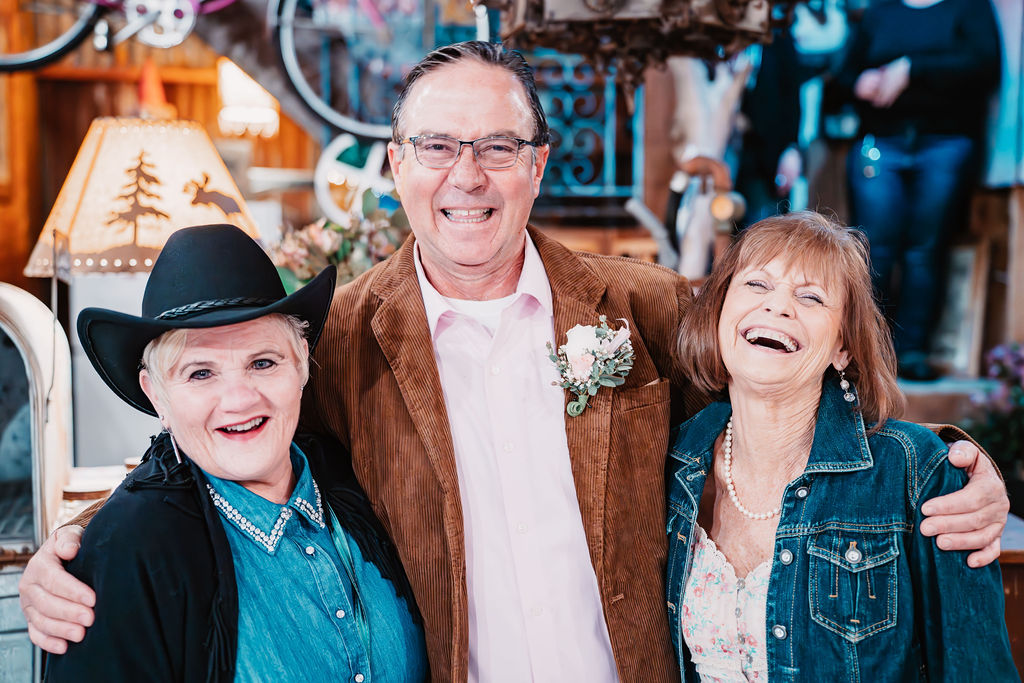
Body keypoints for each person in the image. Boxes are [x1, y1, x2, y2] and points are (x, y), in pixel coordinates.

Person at [21, 42, 1010, 682]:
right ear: (397, 163)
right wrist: (79, 544)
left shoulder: (643, 305)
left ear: (538, 164)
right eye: (438, 145)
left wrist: (954, 460)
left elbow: (793, 372)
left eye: (498, 145)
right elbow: (224, 444)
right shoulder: (337, 346)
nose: (468, 175)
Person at [44, 225, 427, 681]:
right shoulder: (127, 550)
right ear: (157, 396)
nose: (239, 400)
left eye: (262, 362)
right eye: (200, 373)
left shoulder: (352, 477)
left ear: (302, 362)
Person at [667, 211, 1017, 680]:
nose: (778, 307)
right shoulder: (675, 461)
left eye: (810, 296)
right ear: (718, 312)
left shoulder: (917, 473)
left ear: (842, 348)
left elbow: (977, 669)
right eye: (756, 285)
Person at [830, 0, 1001, 380]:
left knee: (925, 248)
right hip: (880, 142)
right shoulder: (881, 10)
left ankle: (912, 352)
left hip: (944, 143)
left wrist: (911, 69)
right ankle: (863, 350)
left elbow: (984, 65)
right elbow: (842, 74)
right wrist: (858, 82)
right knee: (872, 247)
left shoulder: (969, 8)